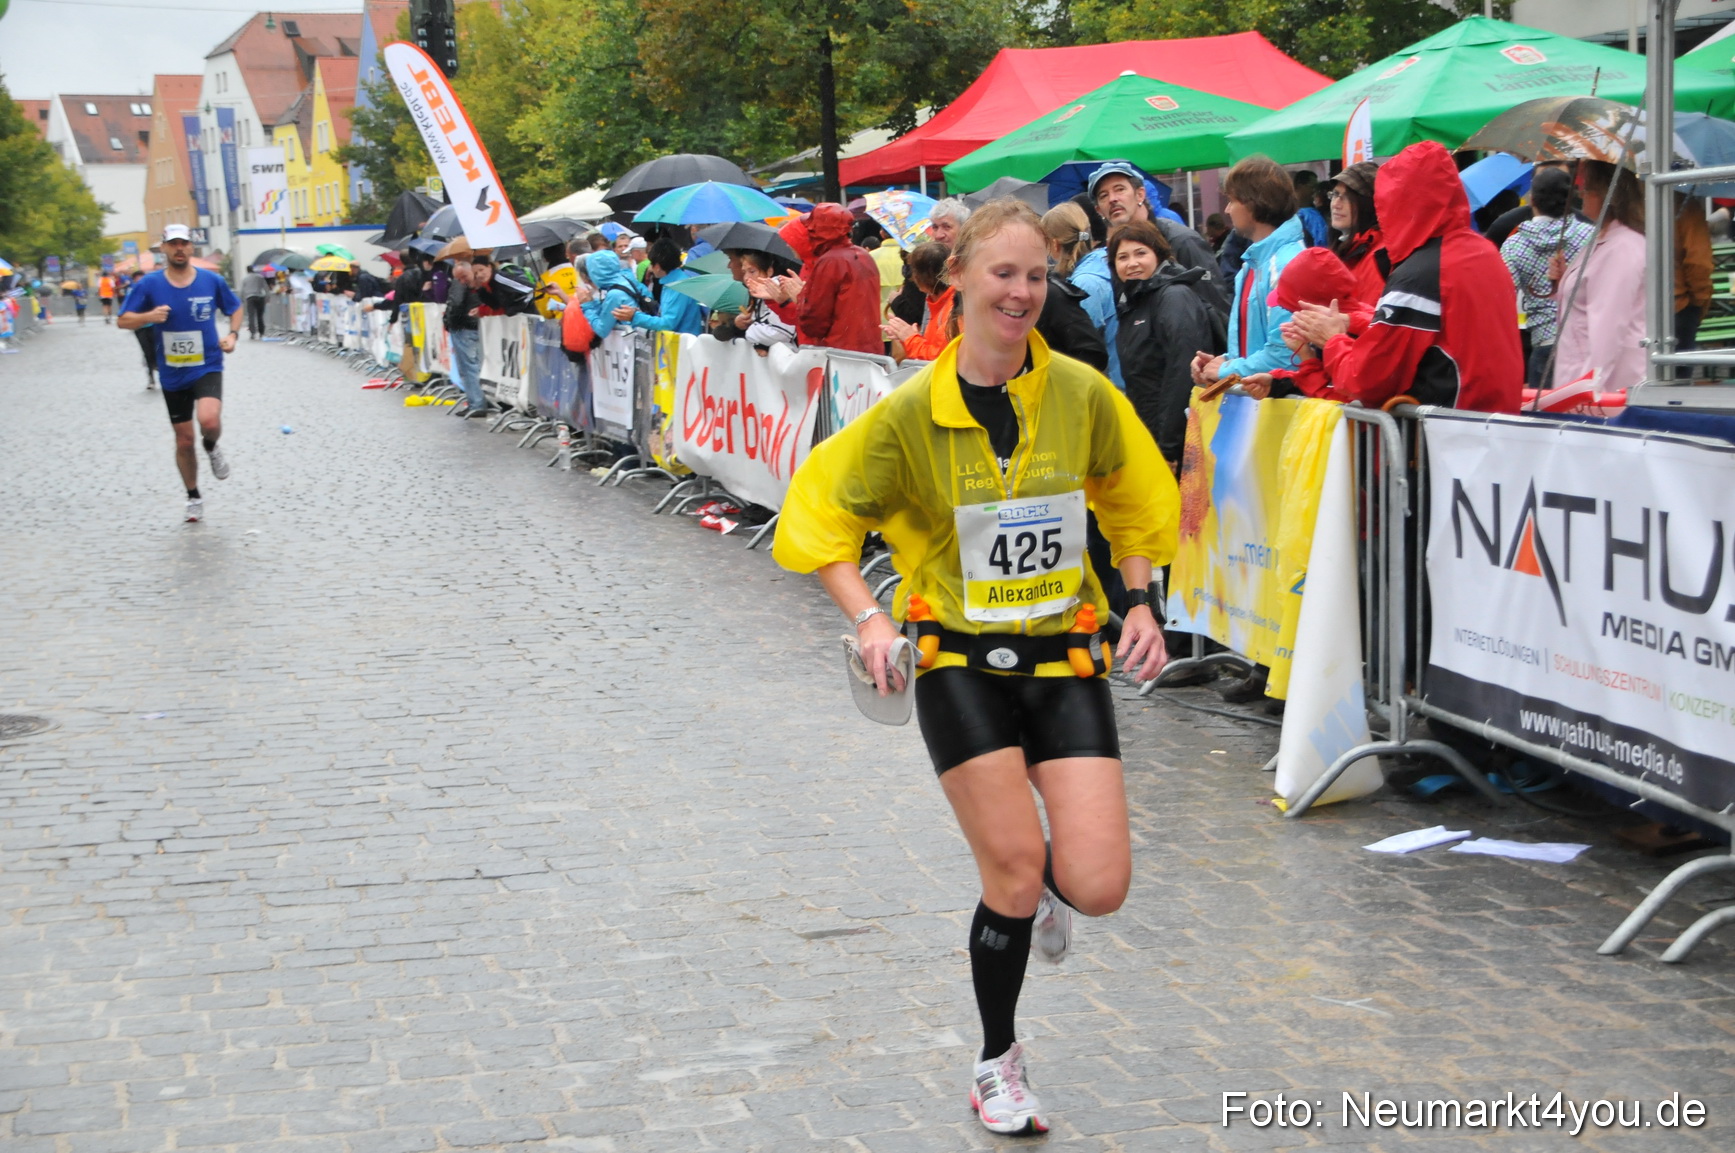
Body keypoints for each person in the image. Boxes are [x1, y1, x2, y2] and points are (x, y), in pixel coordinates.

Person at [772, 197, 1176, 1139]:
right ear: (955, 280)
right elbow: (822, 513)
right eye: (1002, 274)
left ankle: (1043, 893)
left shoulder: (1079, 393)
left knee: (1100, 882)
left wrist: (1141, 598)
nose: (1022, 293)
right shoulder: (912, 411)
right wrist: (870, 619)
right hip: (958, 661)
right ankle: (999, 1061)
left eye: (1036, 276)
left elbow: (1132, 494)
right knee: (1010, 871)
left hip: (1065, 655)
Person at [1283, 140, 1523, 411]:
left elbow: (1367, 378)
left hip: (1443, 434)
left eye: (1385, 204)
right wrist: (1352, 320)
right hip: (1496, 424)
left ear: (1400, 203)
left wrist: (1332, 340)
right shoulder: (1484, 250)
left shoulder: (1422, 271)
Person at [116, 224, 243, 523]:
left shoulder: (211, 281)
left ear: (191, 247)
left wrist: (233, 335)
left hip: (207, 364)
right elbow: (123, 321)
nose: (179, 249)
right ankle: (193, 496)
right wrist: (149, 317)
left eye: (184, 243)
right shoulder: (149, 284)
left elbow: (234, 308)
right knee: (184, 440)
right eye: (173, 244)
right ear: (163, 249)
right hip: (173, 372)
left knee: (209, 420)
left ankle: (211, 446)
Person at [1190, 155, 1307, 389]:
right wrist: (1220, 363)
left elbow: (1288, 356)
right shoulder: (1251, 264)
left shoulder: (1289, 264)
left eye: (1232, 200)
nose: (1227, 209)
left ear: (1253, 203)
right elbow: (1249, 349)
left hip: (1281, 412)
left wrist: (1225, 370)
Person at [1111, 220, 1213, 471]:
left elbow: (1181, 372)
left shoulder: (1173, 297)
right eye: (1122, 257)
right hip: (1150, 435)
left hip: (1176, 444)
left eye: (1141, 253)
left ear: (1159, 254)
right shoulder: (1135, 300)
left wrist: (1168, 445)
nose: (1132, 263)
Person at [1087, 160, 1230, 320]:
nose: (1112, 199)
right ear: (1099, 210)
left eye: (1119, 189)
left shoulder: (1181, 240)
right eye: (1103, 195)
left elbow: (1217, 309)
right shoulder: (1117, 250)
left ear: (1140, 194)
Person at [1551, 159, 1647, 391]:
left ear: (1607, 194)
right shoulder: (1605, 239)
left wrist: (1586, 392)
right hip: (1583, 379)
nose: (1581, 192)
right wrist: (1564, 281)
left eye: (1588, 187)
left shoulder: (1622, 247)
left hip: (1603, 390)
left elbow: (1608, 330)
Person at [1500, 166, 1592, 388]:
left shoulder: (1514, 245)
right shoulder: (1590, 235)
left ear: (1533, 200)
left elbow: (1503, 300)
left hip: (1544, 345)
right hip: (1588, 343)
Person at [1043, 203, 1120, 383]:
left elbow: (1085, 344)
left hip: (1111, 383)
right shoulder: (1104, 261)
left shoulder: (1084, 284)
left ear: (1054, 244)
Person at [790, 203, 881, 354]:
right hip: (871, 349)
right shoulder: (863, 255)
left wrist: (800, 299)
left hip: (841, 353)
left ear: (818, 231)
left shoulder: (830, 261)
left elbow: (814, 322)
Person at [1322, 160, 1387, 311]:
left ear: (1367, 204)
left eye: (1346, 197)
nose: (1336, 204)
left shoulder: (1378, 256)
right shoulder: (1345, 247)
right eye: (1335, 194)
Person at [880, 241, 953, 363]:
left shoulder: (953, 308)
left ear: (918, 278)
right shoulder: (942, 302)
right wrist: (908, 336)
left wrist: (910, 338)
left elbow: (938, 360)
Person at [617, 238, 704, 336]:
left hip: (683, 347)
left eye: (651, 264)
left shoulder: (678, 285)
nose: (649, 268)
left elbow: (667, 324)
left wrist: (635, 317)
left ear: (657, 266)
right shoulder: (671, 282)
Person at [444, 259, 491, 418]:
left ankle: (476, 403)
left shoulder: (461, 283)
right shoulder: (475, 283)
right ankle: (476, 401)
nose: (462, 280)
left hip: (464, 326)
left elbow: (455, 303)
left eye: (463, 277)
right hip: (472, 325)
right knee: (473, 366)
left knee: (469, 367)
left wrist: (449, 321)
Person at [1676, 194, 1714, 374]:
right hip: (1678, 306)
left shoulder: (1633, 204)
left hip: (1642, 305)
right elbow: (1698, 262)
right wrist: (1699, 302)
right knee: (1677, 390)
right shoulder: (1686, 206)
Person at [1292, 170, 1330, 247]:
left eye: (1316, 188)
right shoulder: (1286, 210)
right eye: (1312, 187)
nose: (1314, 191)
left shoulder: (1314, 214)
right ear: (1300, 185)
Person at [241, 265, 269, 340]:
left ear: (247, 270)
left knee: (251, 316)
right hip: (260, 297)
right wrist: (267, 297)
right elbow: (265, 287)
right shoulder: (260, 277)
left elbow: (242, 290)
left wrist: (241, 299)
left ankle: (252, 333)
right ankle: (261, 332)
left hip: (250, 298)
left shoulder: (245, 279)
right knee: (260, 316)